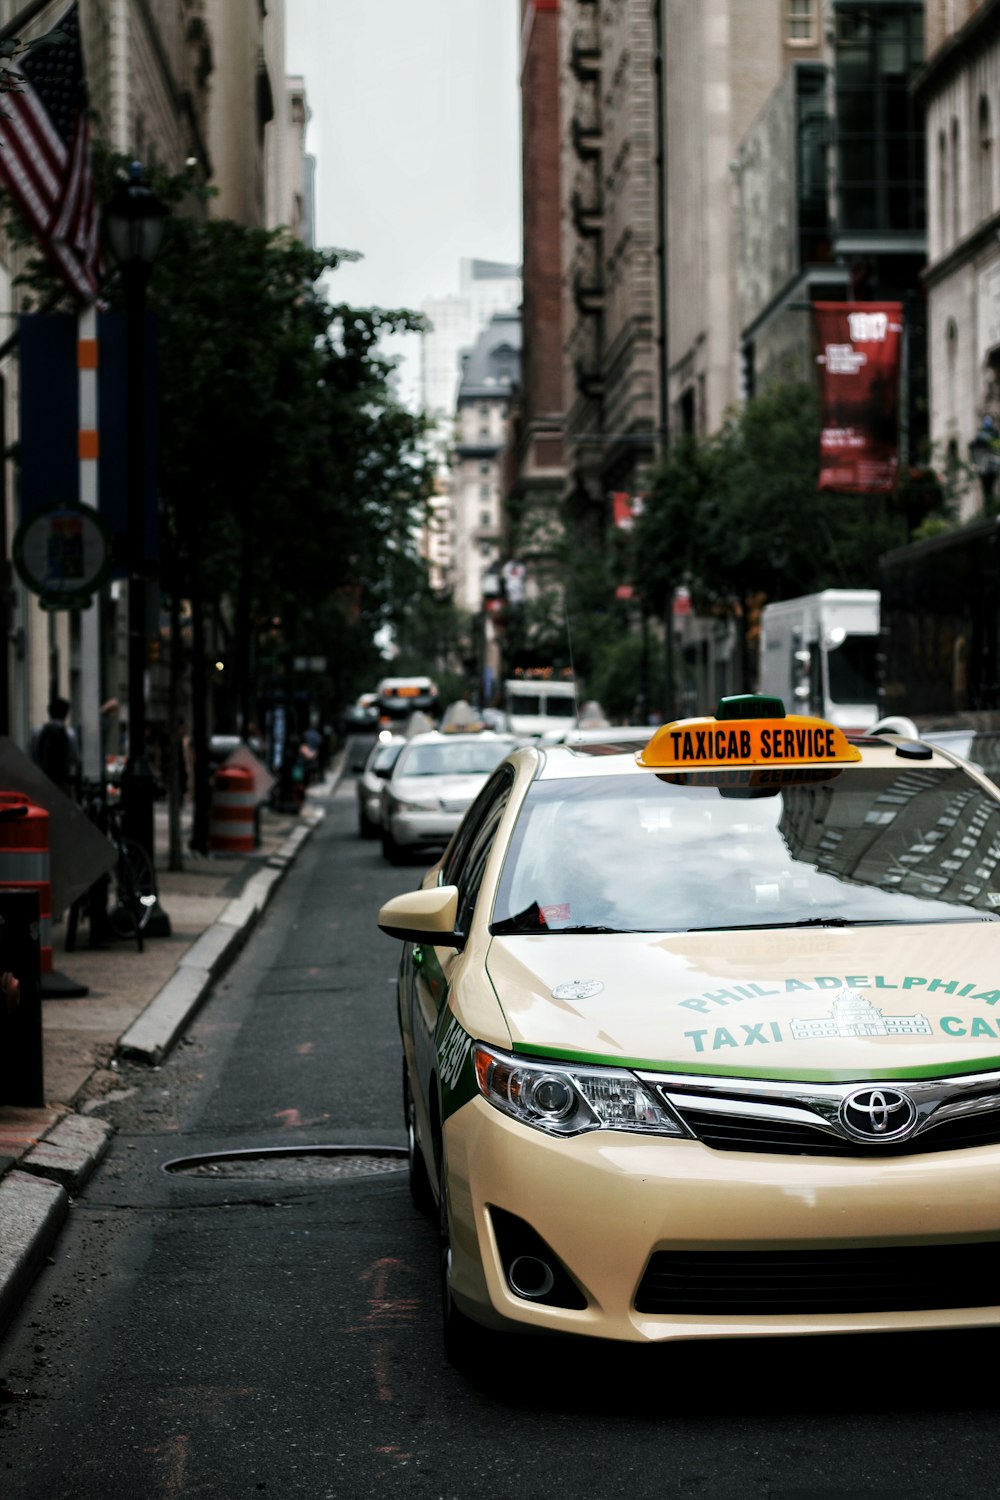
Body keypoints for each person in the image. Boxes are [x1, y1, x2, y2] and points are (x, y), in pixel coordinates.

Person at [30, 696, 81, 799]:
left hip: (41, 780)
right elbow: (75, 758)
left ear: (49, 712)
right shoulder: (69, 734)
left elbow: (31, 755)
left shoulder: (37, 731)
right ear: (66, 714)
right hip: (61, 781)